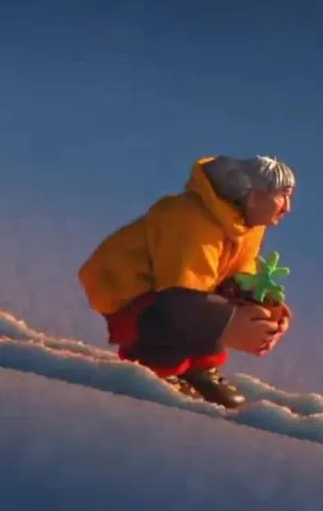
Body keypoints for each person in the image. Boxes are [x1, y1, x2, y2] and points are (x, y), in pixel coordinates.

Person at [77, 155, 295, 408]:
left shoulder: (247, 225)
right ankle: (158, 368)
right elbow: (178, 295)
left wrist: (262, 305)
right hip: (130, 292)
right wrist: (230, 324)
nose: (287, 207)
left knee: (215, 306)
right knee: (185, 313)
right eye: (282, 196)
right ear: (254, 197)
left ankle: (200, 368)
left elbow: (233, 277)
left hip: (185, 293)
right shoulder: (190, 219)